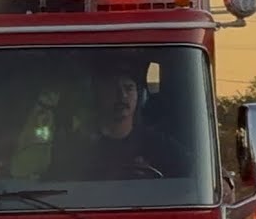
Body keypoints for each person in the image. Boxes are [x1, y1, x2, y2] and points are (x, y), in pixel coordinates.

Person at [54, 65, 192, 180]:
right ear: (97, 94)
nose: (122, 95)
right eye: (112, 88)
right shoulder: (79, 148)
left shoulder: (160, 146)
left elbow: (192, 179)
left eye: (129, 88)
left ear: (140, 96)